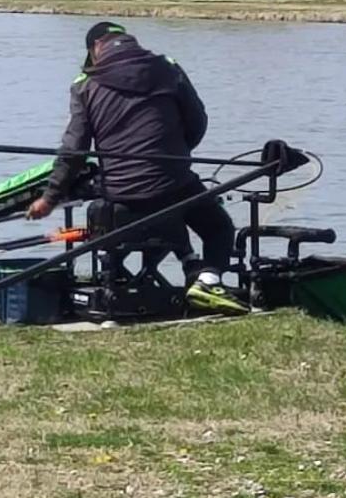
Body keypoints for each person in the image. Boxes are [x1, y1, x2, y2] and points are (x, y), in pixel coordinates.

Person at [26, 21, 247, 315]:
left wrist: (50, 198)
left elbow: (74, 150)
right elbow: (198, 120)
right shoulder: (168, 68)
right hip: (174, 183)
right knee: (218, 227)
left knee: (140, 200)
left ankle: (179, 270)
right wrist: (176, 155)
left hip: (122, 192)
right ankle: (206, 278)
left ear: (95, 50)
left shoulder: (85, 85)